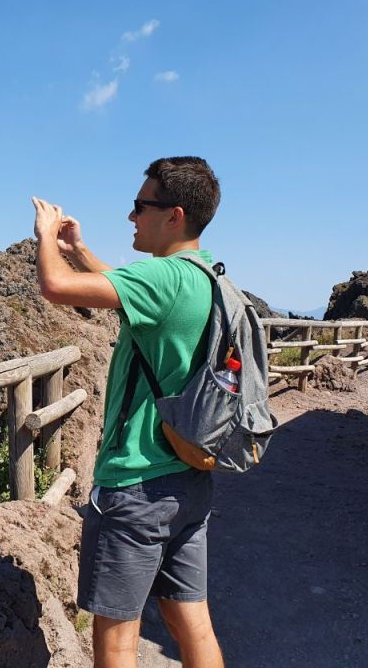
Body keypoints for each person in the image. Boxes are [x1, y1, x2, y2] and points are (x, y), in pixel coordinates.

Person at [32, 156, 225, 668]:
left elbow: (55, 288)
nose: (131, 216)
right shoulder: (206, 278)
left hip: (136, 485)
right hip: (188, 475)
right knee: (193, 626)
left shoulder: (159, 276)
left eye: (141, 206)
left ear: (174, 215)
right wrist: (80, 250)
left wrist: (47, 236)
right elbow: (126, 289)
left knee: (117, 639)